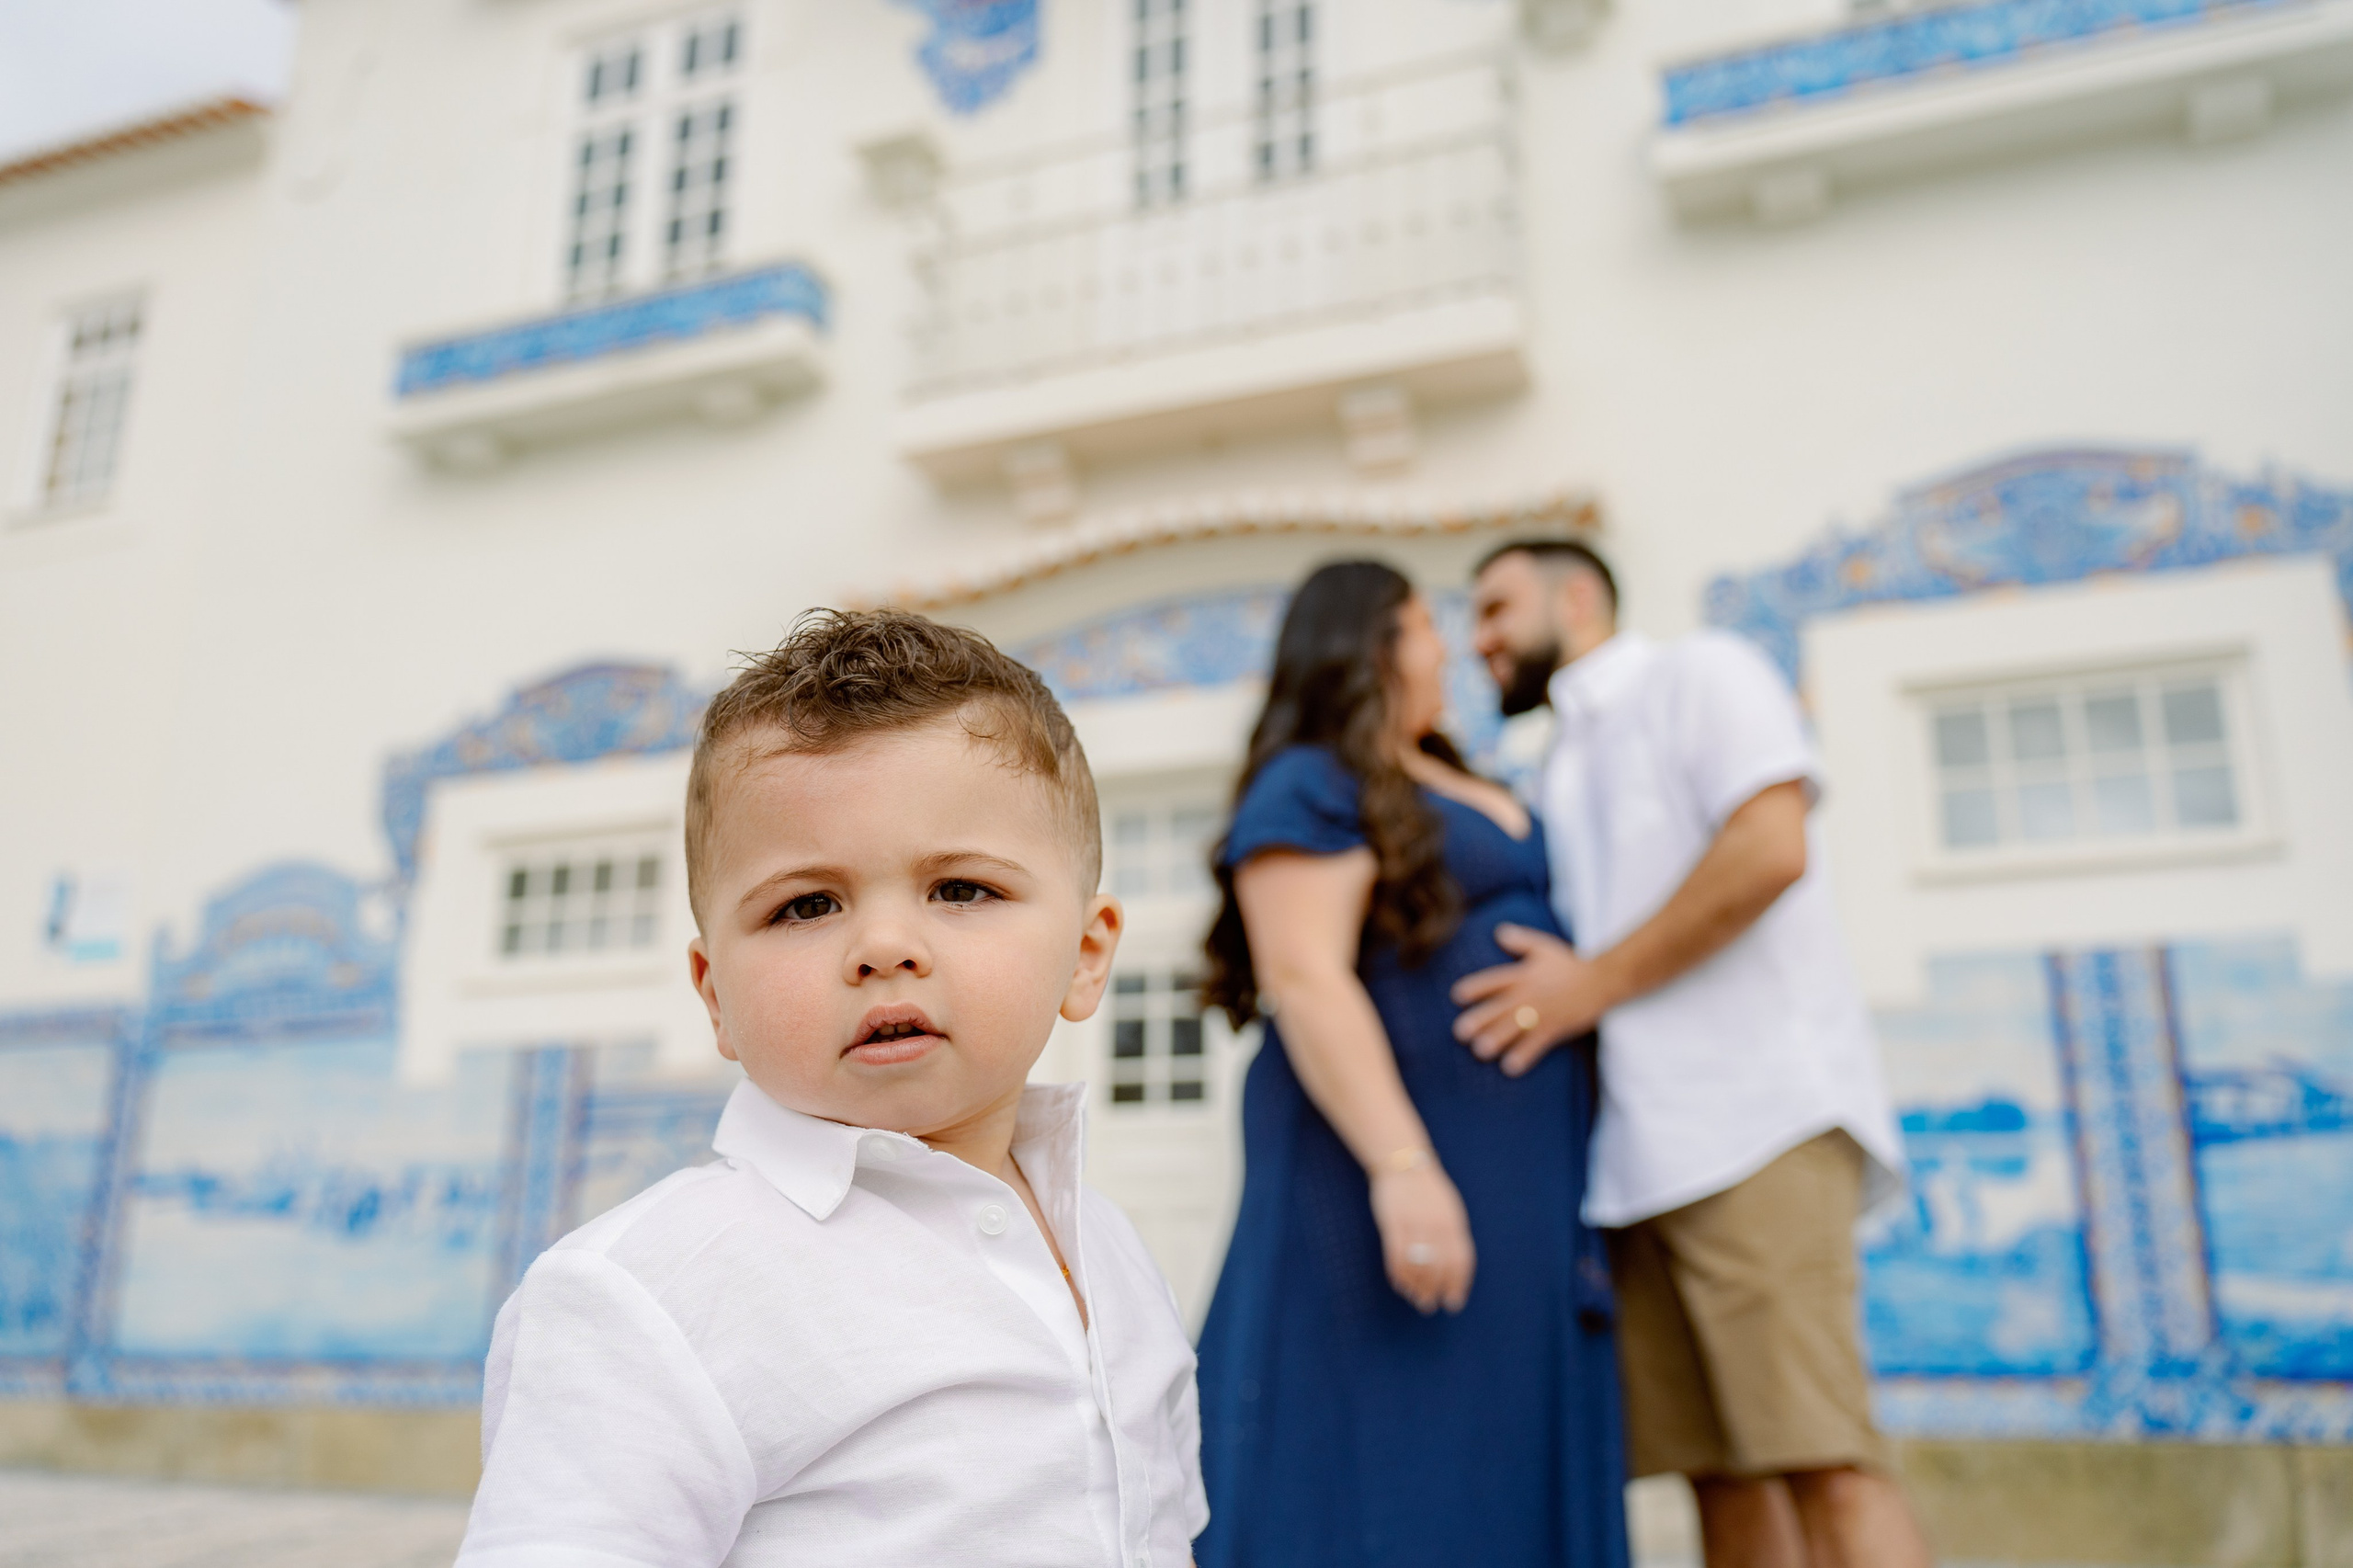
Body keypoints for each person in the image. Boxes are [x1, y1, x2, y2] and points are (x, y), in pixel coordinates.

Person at [454, 610, 1207, 1568]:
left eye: (961, 889)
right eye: (806, 904)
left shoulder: (1111, 1247)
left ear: (1087, 955)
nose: (884, 946)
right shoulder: (647, 1292)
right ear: (716, 996)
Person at [1455, 540, 1933, 1568]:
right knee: (1718, 1475)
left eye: (1496, 607)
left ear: (1577, 595)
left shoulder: (1700, 673)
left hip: (1754, 1122)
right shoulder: (1559, 762)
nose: (1478, 638)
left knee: (1826, 1459)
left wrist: (1588, 984)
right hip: (1637, 1163)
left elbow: (1770, 846)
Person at [1191, 561, 1629, 1568]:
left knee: (1502, 1432)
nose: (1449, 648)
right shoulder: (1312, 778)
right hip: (1388, 1160)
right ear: (1371, 645)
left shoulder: (1452, 771)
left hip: (1522, 1179)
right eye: (1428, 624)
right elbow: (1304, 974)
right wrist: (1403, 1167)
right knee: (1381, 1438)